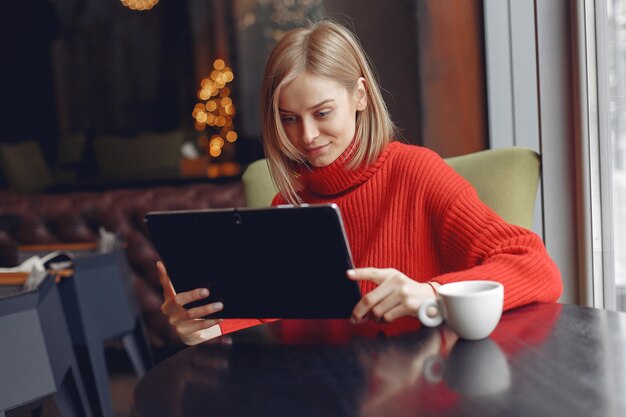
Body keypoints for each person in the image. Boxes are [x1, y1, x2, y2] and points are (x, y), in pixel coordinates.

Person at [158, 20, 562, 346]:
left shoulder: (417, 173)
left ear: (361, 97)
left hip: (417, 396)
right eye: (289, 119)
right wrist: (201, 326)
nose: (307, 135)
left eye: (323, 112)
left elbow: (536, 267)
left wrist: (431, 292)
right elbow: (263, 314)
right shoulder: (288, 205)